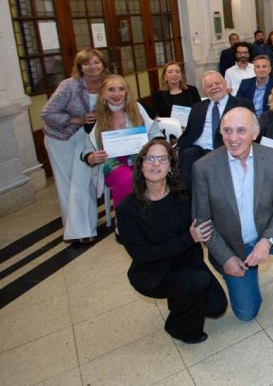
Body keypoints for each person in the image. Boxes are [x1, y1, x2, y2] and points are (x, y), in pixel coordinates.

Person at [192, 107, 273, 332]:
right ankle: (244, 276)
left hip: (270, 230)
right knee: (247, 313)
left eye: (241, 130)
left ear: (255, 132)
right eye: (227, 130)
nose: (233, 138)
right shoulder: (204, 167)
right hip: (233, 245)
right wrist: (226, 258)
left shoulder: (272, 158)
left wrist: (267, 241)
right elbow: (202, 224)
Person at [117, 140, 227, 344]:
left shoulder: (183, 195)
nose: (156, 164)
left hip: (186, 263)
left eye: (162, 159)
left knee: (216, 306)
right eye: (150, 158)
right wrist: (188, 239)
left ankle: (179, 298)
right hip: (154, 272)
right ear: (141, 164)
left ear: (170, 166)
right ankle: (178, 327)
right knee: (198, 282)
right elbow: (142, 255)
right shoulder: (127, 209)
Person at [41, 48, 109, 243]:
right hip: (61, 138)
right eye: (86, 63)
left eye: (96, 62)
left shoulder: (108, 84)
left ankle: (87, 227)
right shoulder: (69, 86)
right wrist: (77, 119)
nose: (92, 67)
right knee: (67, 183)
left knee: (84, 180)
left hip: (87, 138)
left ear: (103, 64)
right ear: (80, 67)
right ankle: (75, 232)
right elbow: (47, 114)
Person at [83, 75, 161, 207]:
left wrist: (156, 148)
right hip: (110, 162)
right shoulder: (96, 116)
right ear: (103, 93)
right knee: (128, 180)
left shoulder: (138, 108)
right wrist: (91, 158)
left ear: (127, 92)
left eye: (121, 89)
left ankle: (150, 214)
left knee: (156, 175)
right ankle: (126, 217)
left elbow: (155, 134)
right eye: (111, 89)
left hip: (140, 158)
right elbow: (87, 151)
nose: (116, 94)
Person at [176, 71, 254, 190]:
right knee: (188, 155)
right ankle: (192, 196)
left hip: (225, 147)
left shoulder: (242, 105)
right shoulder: (197, 107)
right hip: (198, 149)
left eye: (217, 83)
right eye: (209, 86)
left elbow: (252, 130)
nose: (214, 88)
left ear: (225, 83)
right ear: (205, 90)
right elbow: (189, 132)